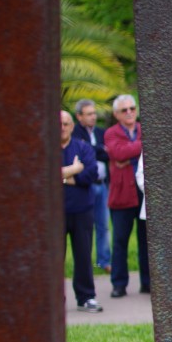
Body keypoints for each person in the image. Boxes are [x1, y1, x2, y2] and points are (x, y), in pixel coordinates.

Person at [104, 94, 150, 297]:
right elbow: (118, 153)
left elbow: (126, 153)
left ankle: (148, 282)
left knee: (147, 241)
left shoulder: (144, 128)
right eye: (125, 110)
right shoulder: (111, 133)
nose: (130, 112)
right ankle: (119, 284)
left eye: (132, 108)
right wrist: (142, 146)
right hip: (122, 195)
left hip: (144, 193)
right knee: (120, 241)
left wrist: (129, 152)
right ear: (116, 114)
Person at [60, 110, 102, 312]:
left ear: (72, 126)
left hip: (82, 210)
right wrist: (74, 170)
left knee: (84, 256)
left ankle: (86, 297)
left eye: (66, 123)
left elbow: (91, 174)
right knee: (54, 258)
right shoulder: (45, 148)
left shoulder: (83, 147)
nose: (62, 127)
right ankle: (54, 299)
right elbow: (42, 174)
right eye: (58, 124)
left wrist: (62, 176)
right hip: (54, 214)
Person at [72, 99, 111, 272]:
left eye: (94, 113)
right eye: (89, 114)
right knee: (86, 227)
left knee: (103, 225)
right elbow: (82, 154)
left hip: (102, 185)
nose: (93, 117)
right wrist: (99, 149)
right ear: (79, 116)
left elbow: (109, 153)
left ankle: (103, 261)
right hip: (85, 186)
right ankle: (86, 263)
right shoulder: (75, 133)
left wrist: (92, 149)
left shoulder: (102, 132)